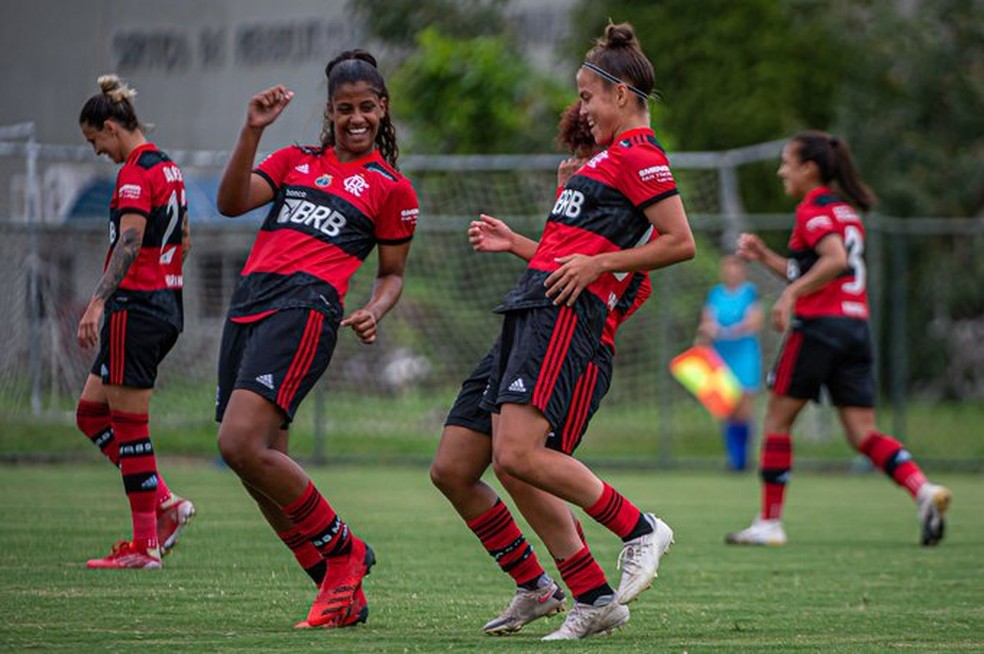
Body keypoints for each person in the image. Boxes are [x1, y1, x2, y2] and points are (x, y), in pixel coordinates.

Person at [479, 23, 695, 640]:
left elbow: (680, 242)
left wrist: (601, 265)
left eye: (587, 96)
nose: (581, 108)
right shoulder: (600, 162)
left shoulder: (640, 156)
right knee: (512, 460)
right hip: (535, 306)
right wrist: (522, 242)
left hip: (565, 318)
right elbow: (566, 254)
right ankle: (592, 596)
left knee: (521, 457)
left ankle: (639, 529)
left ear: (621, 94)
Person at [431, 100, 652, 638]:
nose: (575, 165)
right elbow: (557, 263)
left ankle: (597, 589)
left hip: (579, 347)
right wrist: (518, 242)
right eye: (574, 151)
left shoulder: (633, 197)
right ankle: (536, 587)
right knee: (453, 468)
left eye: (587, 150)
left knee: (522, 463)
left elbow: (598, 276)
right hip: (526, 330)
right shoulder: (580, 200)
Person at [214, 49, 418, 629]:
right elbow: (230, 204)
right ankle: (332, 585)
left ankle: (345, 552)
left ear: (383, 109)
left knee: (238, 444)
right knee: (261, 467)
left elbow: (392, 274)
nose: (356, 118)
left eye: (367, 107)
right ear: (329, 112)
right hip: (248, 307)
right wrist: (252, 130)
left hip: (304, 311)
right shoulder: (293, 161)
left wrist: (375, 308)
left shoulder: (392, 188)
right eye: (344, 109)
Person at [725, 130, 952, 547]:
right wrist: (766, 257)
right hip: (855, 328)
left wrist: (790, 296)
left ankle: (769, 522)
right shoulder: (845, 212)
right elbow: (816, 270)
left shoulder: (812, 210)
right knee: (862, 432)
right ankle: (922, 489)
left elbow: (834, 260)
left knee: (776, 420)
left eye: (787, 164)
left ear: (809, 169)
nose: (781, 172)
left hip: (818, 328)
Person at [76, 75, 195, 570]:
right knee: (91, 414)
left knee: (130, 427)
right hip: (165, 304)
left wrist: (97, 302)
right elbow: (184, 238)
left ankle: (145, 545)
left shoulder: (134, 172)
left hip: (137, 307)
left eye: (95, 141)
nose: (97, 151)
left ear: (111, 127)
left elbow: (129, 241)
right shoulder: (168, 168)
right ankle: (165, 502)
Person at [696, 254, 764, 470]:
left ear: (742, 271)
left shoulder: (749, 292)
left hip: (744, 356)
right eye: (727, 268)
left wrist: (729, 331)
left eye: (735, 268)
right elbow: (707, 321)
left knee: (744, 408)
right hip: (721, 357)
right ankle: (734, 460)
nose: (730, 272)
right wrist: (707, 333)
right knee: (727, 408)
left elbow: (754, 322)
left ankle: (744, 458)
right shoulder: (716, 294)